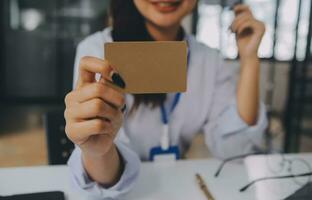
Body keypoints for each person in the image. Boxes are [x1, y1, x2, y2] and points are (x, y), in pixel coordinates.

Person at [64, 0, 268, 199]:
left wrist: (249, 59)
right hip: (126, 191)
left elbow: (235, 150)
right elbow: (101, 175)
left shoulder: (209, 59)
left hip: (181, 187)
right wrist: (99, 151)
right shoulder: (98, 50)